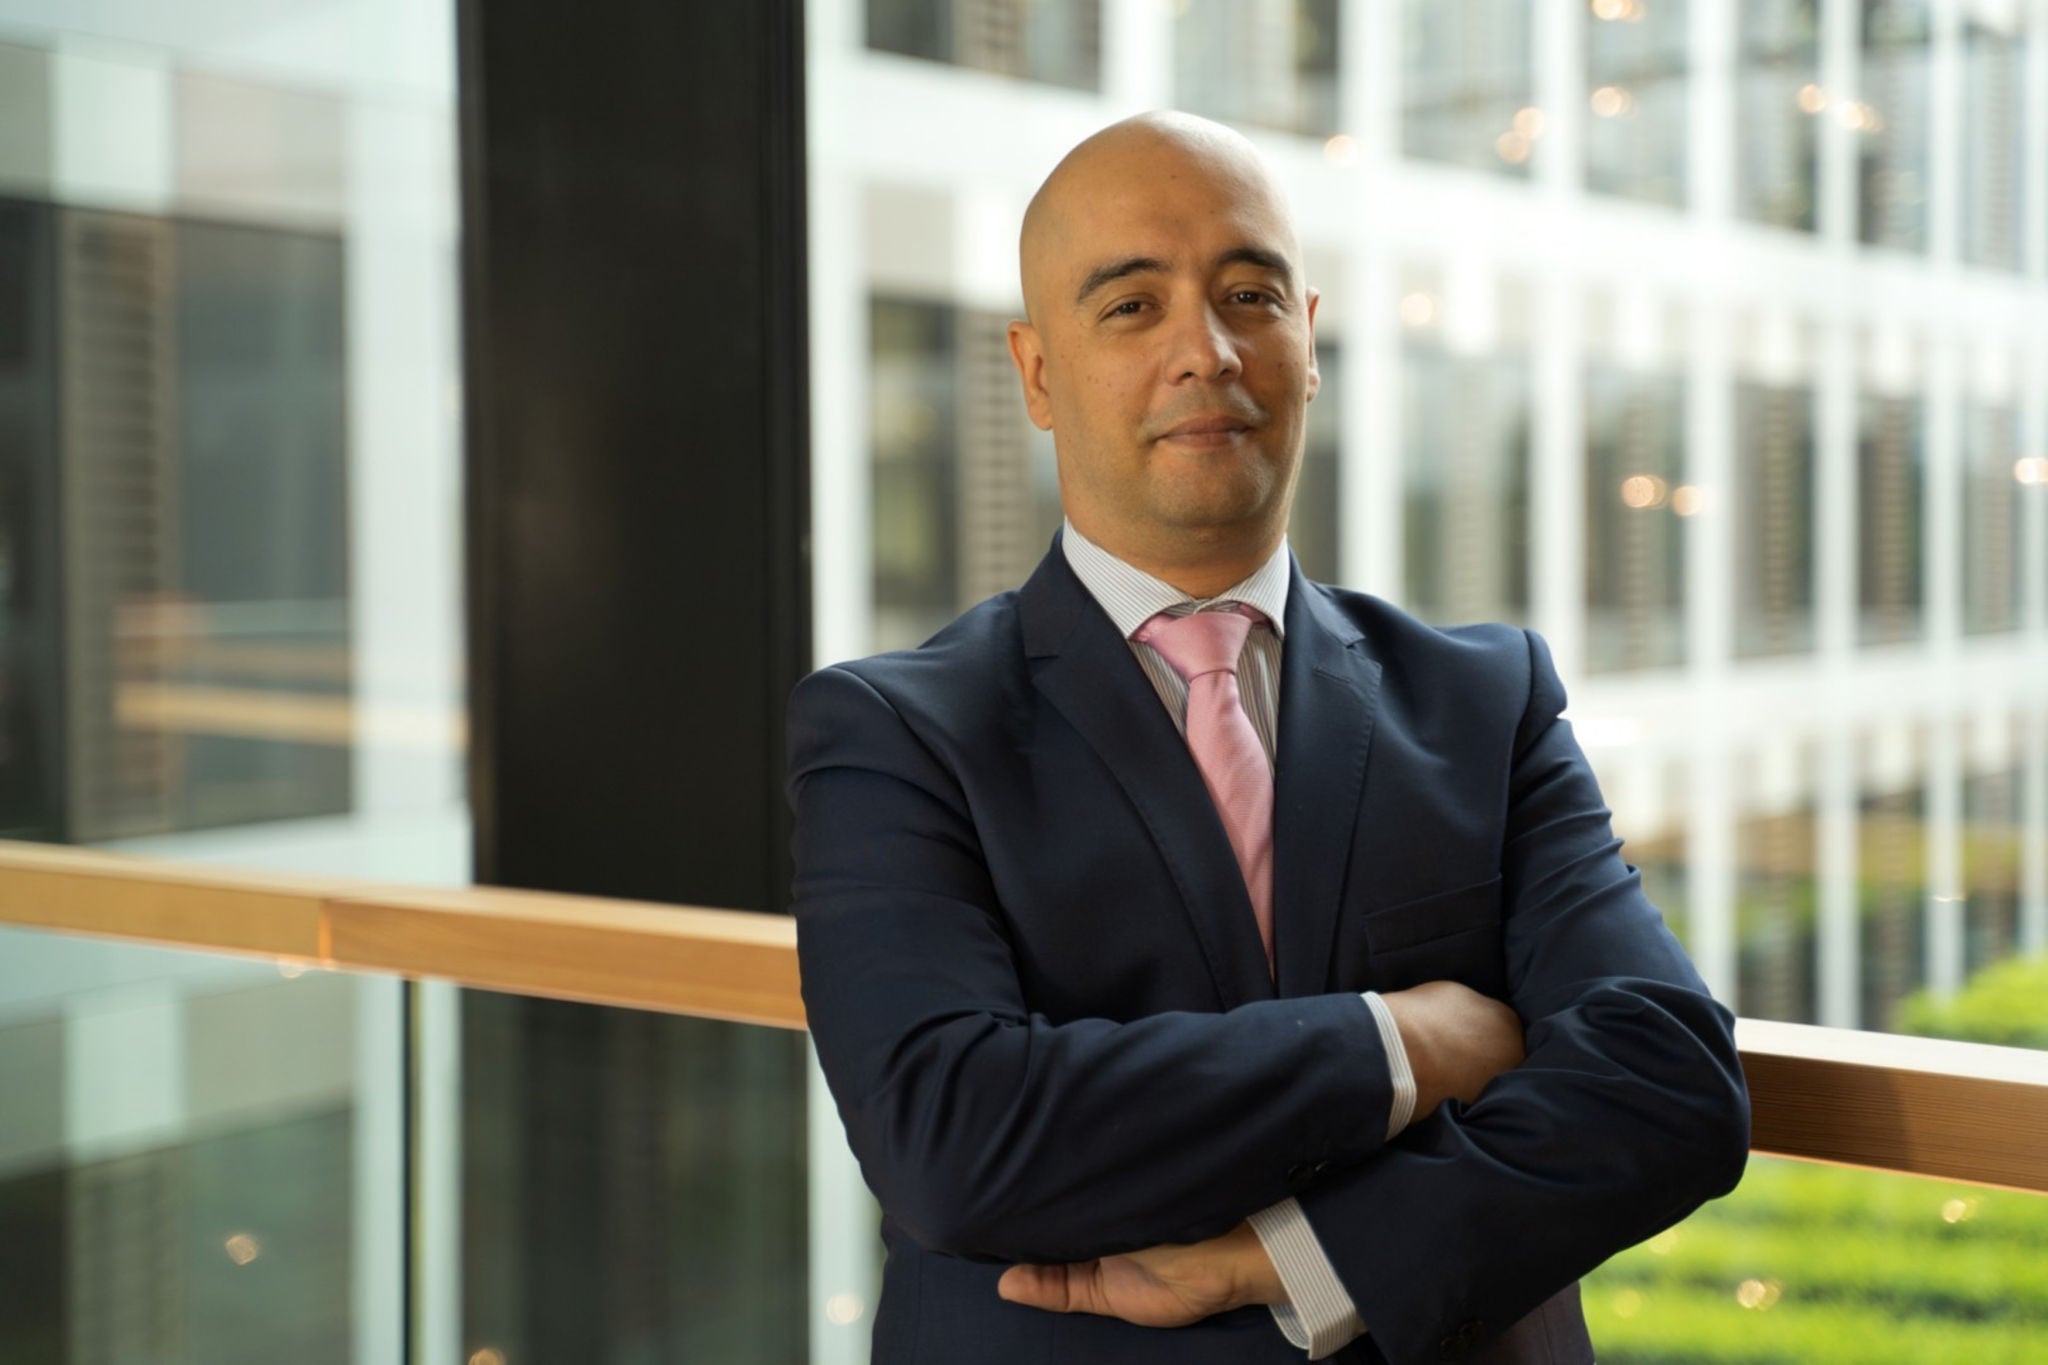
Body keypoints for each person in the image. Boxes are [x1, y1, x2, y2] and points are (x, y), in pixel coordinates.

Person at [786, 111, 1748, 1364]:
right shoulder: (897, 735)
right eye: (1131, 307)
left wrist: (1294, 1258)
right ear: (1035, 373)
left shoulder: (1483, 700)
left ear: (1308, 339)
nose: (1205, 350)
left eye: (1248, 296)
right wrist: (1403, 1044)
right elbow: (954, 1139)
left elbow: (1667, 1085)